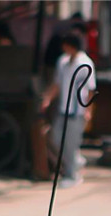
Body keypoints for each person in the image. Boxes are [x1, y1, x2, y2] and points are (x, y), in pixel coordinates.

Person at [41, 32, 97, 188]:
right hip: (63, 108)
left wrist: (88, 111)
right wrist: (47, 98)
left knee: (71, 143)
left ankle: (72, 175)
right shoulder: (63, 62)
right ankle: (76, 161)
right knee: (55, 138)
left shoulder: (85, 63)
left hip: (77, 110)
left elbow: (91, 90)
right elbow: (57, 84)